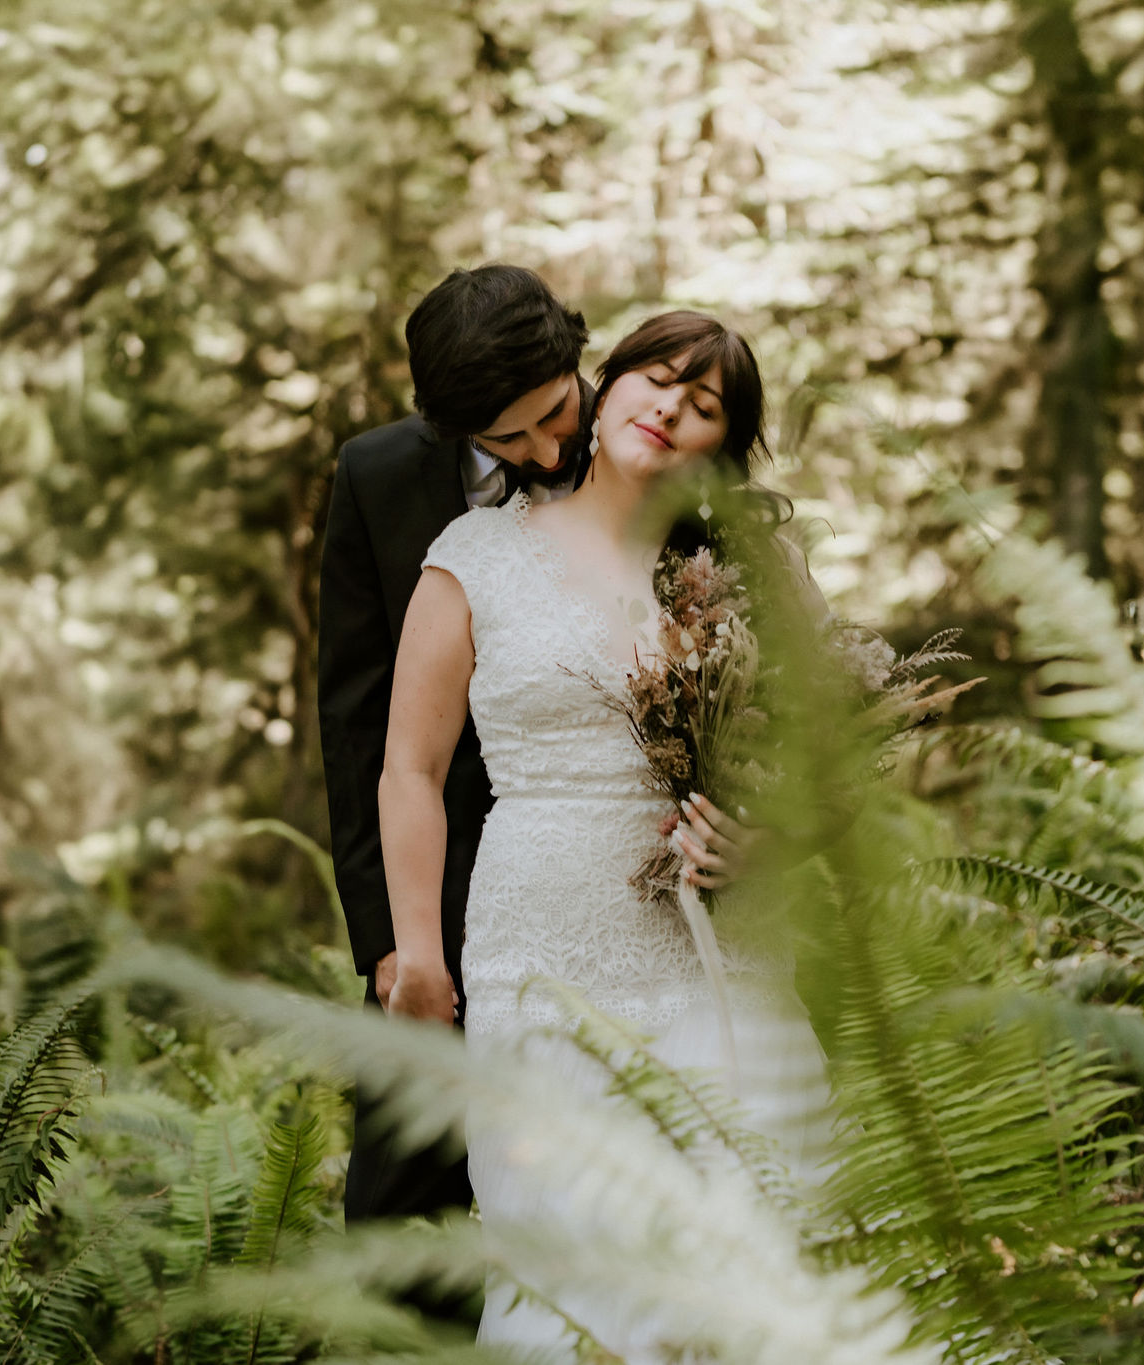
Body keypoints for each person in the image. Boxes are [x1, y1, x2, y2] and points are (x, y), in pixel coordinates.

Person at [378, 311, 831, 1355]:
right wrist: (417, 952)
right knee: (572, 1262)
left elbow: (832, 759)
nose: (672, 407)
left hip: (721, 955)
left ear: (724, 444)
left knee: (763, 1231)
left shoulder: (753, 575)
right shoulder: (476, 555)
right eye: (658, 379)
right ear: (606, 381)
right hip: (542, 951)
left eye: (706, 404)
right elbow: (410, 768)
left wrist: (767, 843)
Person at [317, 267, 750, 1222]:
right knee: (403, 1212)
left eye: (558, 412)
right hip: (440, 879)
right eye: (506, 438)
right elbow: (358, 728)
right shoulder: (377, 477)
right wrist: (395, 942)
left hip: (658, 900)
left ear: (579, 363)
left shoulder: (659, 452)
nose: (547, 447)